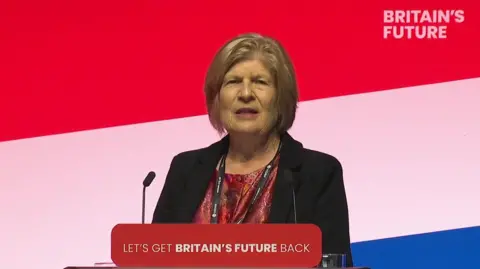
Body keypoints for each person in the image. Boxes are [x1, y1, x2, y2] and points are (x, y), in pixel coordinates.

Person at [152, 33, 353, 266]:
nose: (246, 94)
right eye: (233, 81)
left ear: (280, 98)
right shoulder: (185, 170)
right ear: (217, 98)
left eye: (260, 82)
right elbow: (156, 259)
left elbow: (335, 262)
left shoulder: (318, 174)